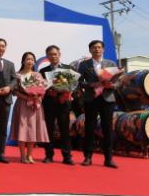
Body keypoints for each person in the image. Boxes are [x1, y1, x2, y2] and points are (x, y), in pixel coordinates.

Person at [78, 40, 118, 168]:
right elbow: (79, 82)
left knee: (107, 129)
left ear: (103, 49)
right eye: (94, 47)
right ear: (90, 50)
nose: (97, 49)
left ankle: (108, 159)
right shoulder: (84, 64)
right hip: (91, 99)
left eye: (99, 47)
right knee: (89, 128)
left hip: (107, 99)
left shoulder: (111, 64)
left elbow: (118, 82)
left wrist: (111, 85)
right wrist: (91, 84)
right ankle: (88, 157)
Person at [10, 52, 49, 163]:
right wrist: (26, 97)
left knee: (33, 129)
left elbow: (43, 89)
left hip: (35, 105)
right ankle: (23, 155)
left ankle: (30, 155)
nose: (30, 61)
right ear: (23, 61)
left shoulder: (38, 75)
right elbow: (14, 91)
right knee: (22, 129)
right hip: (22, 104)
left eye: (32, 59)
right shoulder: (17, 75)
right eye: (27, 59)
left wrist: (38, 96)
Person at [39, 45, 74, 165]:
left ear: (59, 54)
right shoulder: (43, 71)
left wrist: (67, 93)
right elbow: (40, 88)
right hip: (49, 104)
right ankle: (49, 155)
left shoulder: (68, 68)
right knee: (49, 130)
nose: (53, 56)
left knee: (65, 130)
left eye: (55, 54)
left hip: (63, 103)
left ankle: (67, 156)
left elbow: (74, 85)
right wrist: (48, 91)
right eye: (50, 54)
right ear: (47, 56)